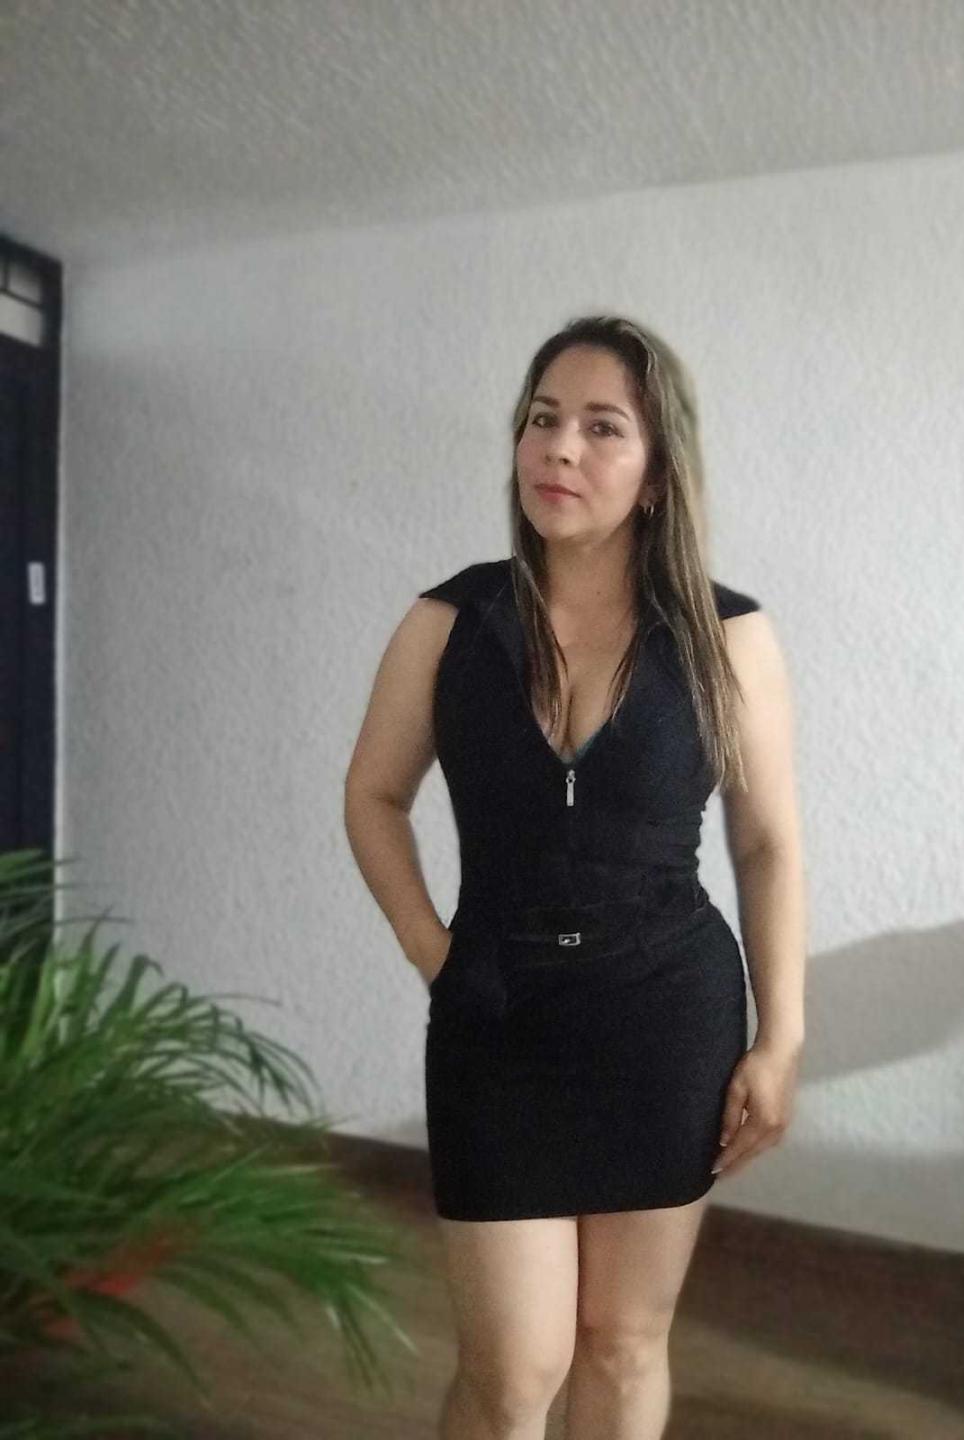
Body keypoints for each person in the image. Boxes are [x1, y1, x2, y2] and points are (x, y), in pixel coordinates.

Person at [343, 314, 806, 1440]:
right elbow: (373, 797)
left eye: (603, 428)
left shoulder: (730, 638)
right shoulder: (449, 622)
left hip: (667, 1020)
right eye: (543, 419)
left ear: (658, 473)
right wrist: (435, 953)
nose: (559, 447)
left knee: (623, 1343)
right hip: (496, 1022)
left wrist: (781, 1036)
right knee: (512, 1375)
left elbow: (767, 844)